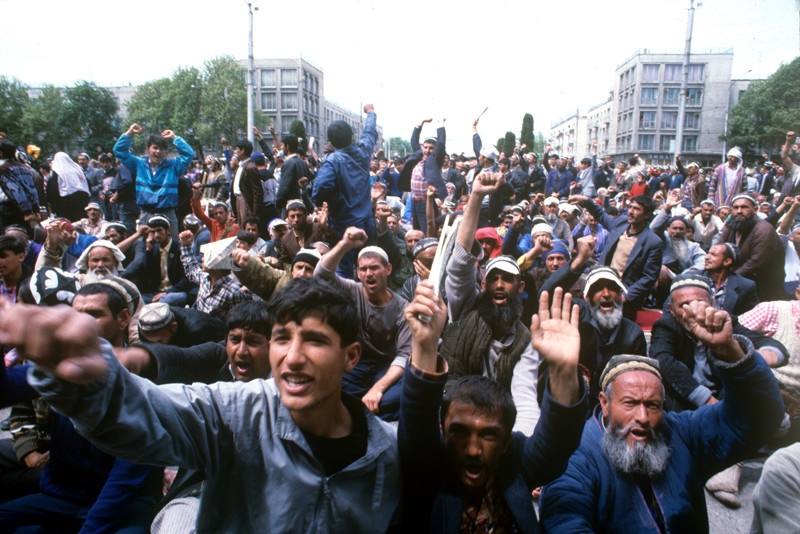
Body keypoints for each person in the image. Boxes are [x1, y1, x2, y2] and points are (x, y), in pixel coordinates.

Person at [0, 277, 401, 532]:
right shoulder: (235, 412)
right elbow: (147, 414)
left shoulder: (389, 455)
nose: (292, 357)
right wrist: (85, 380)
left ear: (351, 357)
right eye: (282, 338)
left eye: (313, 341)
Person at [539, 304, 785, 533]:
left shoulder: (681, 433)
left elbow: (758, 418)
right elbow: (565, 521)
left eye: (653, 405)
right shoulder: (573, 458)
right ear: (604, 403)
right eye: (630, 403)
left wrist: (728, 350)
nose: (643, 417)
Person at [399, 280, 588, 532]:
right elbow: (416, 424)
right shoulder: (431, 468)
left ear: (507, 442)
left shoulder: (515, 464)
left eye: (489, 434)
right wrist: (425, 346)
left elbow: (556, 445)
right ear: (442, 431)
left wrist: (563, 372)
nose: (474, 450)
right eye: (460, 432)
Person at [0, 283, 161, 532]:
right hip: (61, 496)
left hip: (125, 503)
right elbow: (6, 389)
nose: (82, 324)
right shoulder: (59, 365)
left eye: (94, 314)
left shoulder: (142, 377)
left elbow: (126, 477)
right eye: (77, 314)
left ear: (123, 319)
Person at [443, 172, 544, 435]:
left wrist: (521, 443)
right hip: (453, 415)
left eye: (507, 280)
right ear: (484, 286)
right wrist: (475, 197)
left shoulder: (526, 340)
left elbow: (524, 398)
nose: (499, 285)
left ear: (520, 288)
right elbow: (460, 262)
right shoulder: (466, 309)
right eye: (493, 279)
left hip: (497, 426)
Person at [650, 272, 787, 411]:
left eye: (699, 302)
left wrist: (758, 358)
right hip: (685, 399)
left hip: (724, 398)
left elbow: (774, 347)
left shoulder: (724, 322)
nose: (693, 310)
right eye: (684, 305)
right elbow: (662, 358)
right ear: (671, 310)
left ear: (712, 303)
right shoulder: (666, 326)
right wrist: (705, 399)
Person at [315, 227, 411, 420]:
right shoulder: (351, 289)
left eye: (375, 267)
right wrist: (345, 244)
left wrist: (378, 388)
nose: (369, 274)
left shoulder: (403, 308)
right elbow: (321, 276)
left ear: (388, 269)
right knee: (326, 390)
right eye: (364, 269)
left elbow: (404, 356)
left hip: (386, 366)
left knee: (400, 396)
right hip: (354, 361)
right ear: (357, 273)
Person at [539, 240, 647, 404]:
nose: (605, 294)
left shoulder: (633, 334)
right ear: (587, 298)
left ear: (621, 295)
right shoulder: (578, 316)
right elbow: (546, 297)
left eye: (611, 287)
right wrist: (578, 262)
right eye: (597, 288)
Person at [570, 192, 664, 319]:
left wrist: (627, 296)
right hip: (601, 283)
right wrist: (586, 200)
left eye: (636, 209)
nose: (630, 211)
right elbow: (601, 215)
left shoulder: (653, 242)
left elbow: (649, 277)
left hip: (624, 293)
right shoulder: (621, 224)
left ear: (647, 214)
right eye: (630, 207)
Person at [312, 104, 379, 277]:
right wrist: (370, 112)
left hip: (344, 224)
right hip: (367, 221)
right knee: (368, 265)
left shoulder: (332, 160)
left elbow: (319, 191)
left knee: (344, 268)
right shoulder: (363, 151)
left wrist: (334, 203)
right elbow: (370, 132)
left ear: (331, 142)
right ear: (352, 137)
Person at [113, 124, 194, 242]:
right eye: (155, 148)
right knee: (143, 246)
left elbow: (188, 154)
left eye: (161, 149)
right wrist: (130, 133)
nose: (158, 152)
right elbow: (119, 150)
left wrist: (174, 138)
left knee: (173, 246)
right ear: (148, 149)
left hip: (168, 212)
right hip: (146, 213)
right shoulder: (138, 164)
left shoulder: (173, 166)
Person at [718, 193, 786, 301]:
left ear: (755, 209)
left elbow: (755, 264)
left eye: (744, 207)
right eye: (736, 207)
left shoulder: (764, 229)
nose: (739, 211)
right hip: (739, 284)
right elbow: (718, 250)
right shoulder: (731, 225)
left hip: (764, 290)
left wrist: (727, 280)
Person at [121, 215, 193, 305]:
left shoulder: (179, 248)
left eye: (159, 231)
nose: (156, 235)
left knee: (175, 298)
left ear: (168, 230)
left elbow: (187, 277)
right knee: (133, 300)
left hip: (175, 292)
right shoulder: (153, 249)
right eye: (153, 232)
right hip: (155, 294)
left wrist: (167, 293)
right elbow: (149, 274)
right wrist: (148, 250)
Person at [397, 117, 448, 232]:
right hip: (414, 201)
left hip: (427, 202)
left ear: (435, 150)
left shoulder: (435, 160)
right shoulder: (418, 157)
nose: (427, 150)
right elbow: (414, 141)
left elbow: (441, 143)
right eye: (425, 147)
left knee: (427, 232)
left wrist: (440, 124)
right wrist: (421, 123)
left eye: (431, 148)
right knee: (416, 231)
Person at [701, 242, 759, 316]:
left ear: (727, 262)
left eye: (713, 254)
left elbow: (752, 317)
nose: (706, 257)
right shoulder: (694, 278)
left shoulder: (745, 286)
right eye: (708, 253)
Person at [137, 301, 225, 347]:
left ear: (174, 327)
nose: (156, 347)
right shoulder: (145, 325)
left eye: (159, 341)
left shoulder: (199, 330)